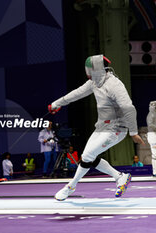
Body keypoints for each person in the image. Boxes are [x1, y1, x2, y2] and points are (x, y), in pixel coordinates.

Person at [49, 54, 144, 201]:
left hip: (117, 128)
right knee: (88, 157)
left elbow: (129, 108)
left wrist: (133, 132)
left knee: (88, 156)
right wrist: (57, 104)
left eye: (88, 69)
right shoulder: (94, 82)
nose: (87, 72)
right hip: (101, 127)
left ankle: (71, 186)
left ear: (95, 70)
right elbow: (77, 93)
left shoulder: (114, 84)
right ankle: (120, 177)